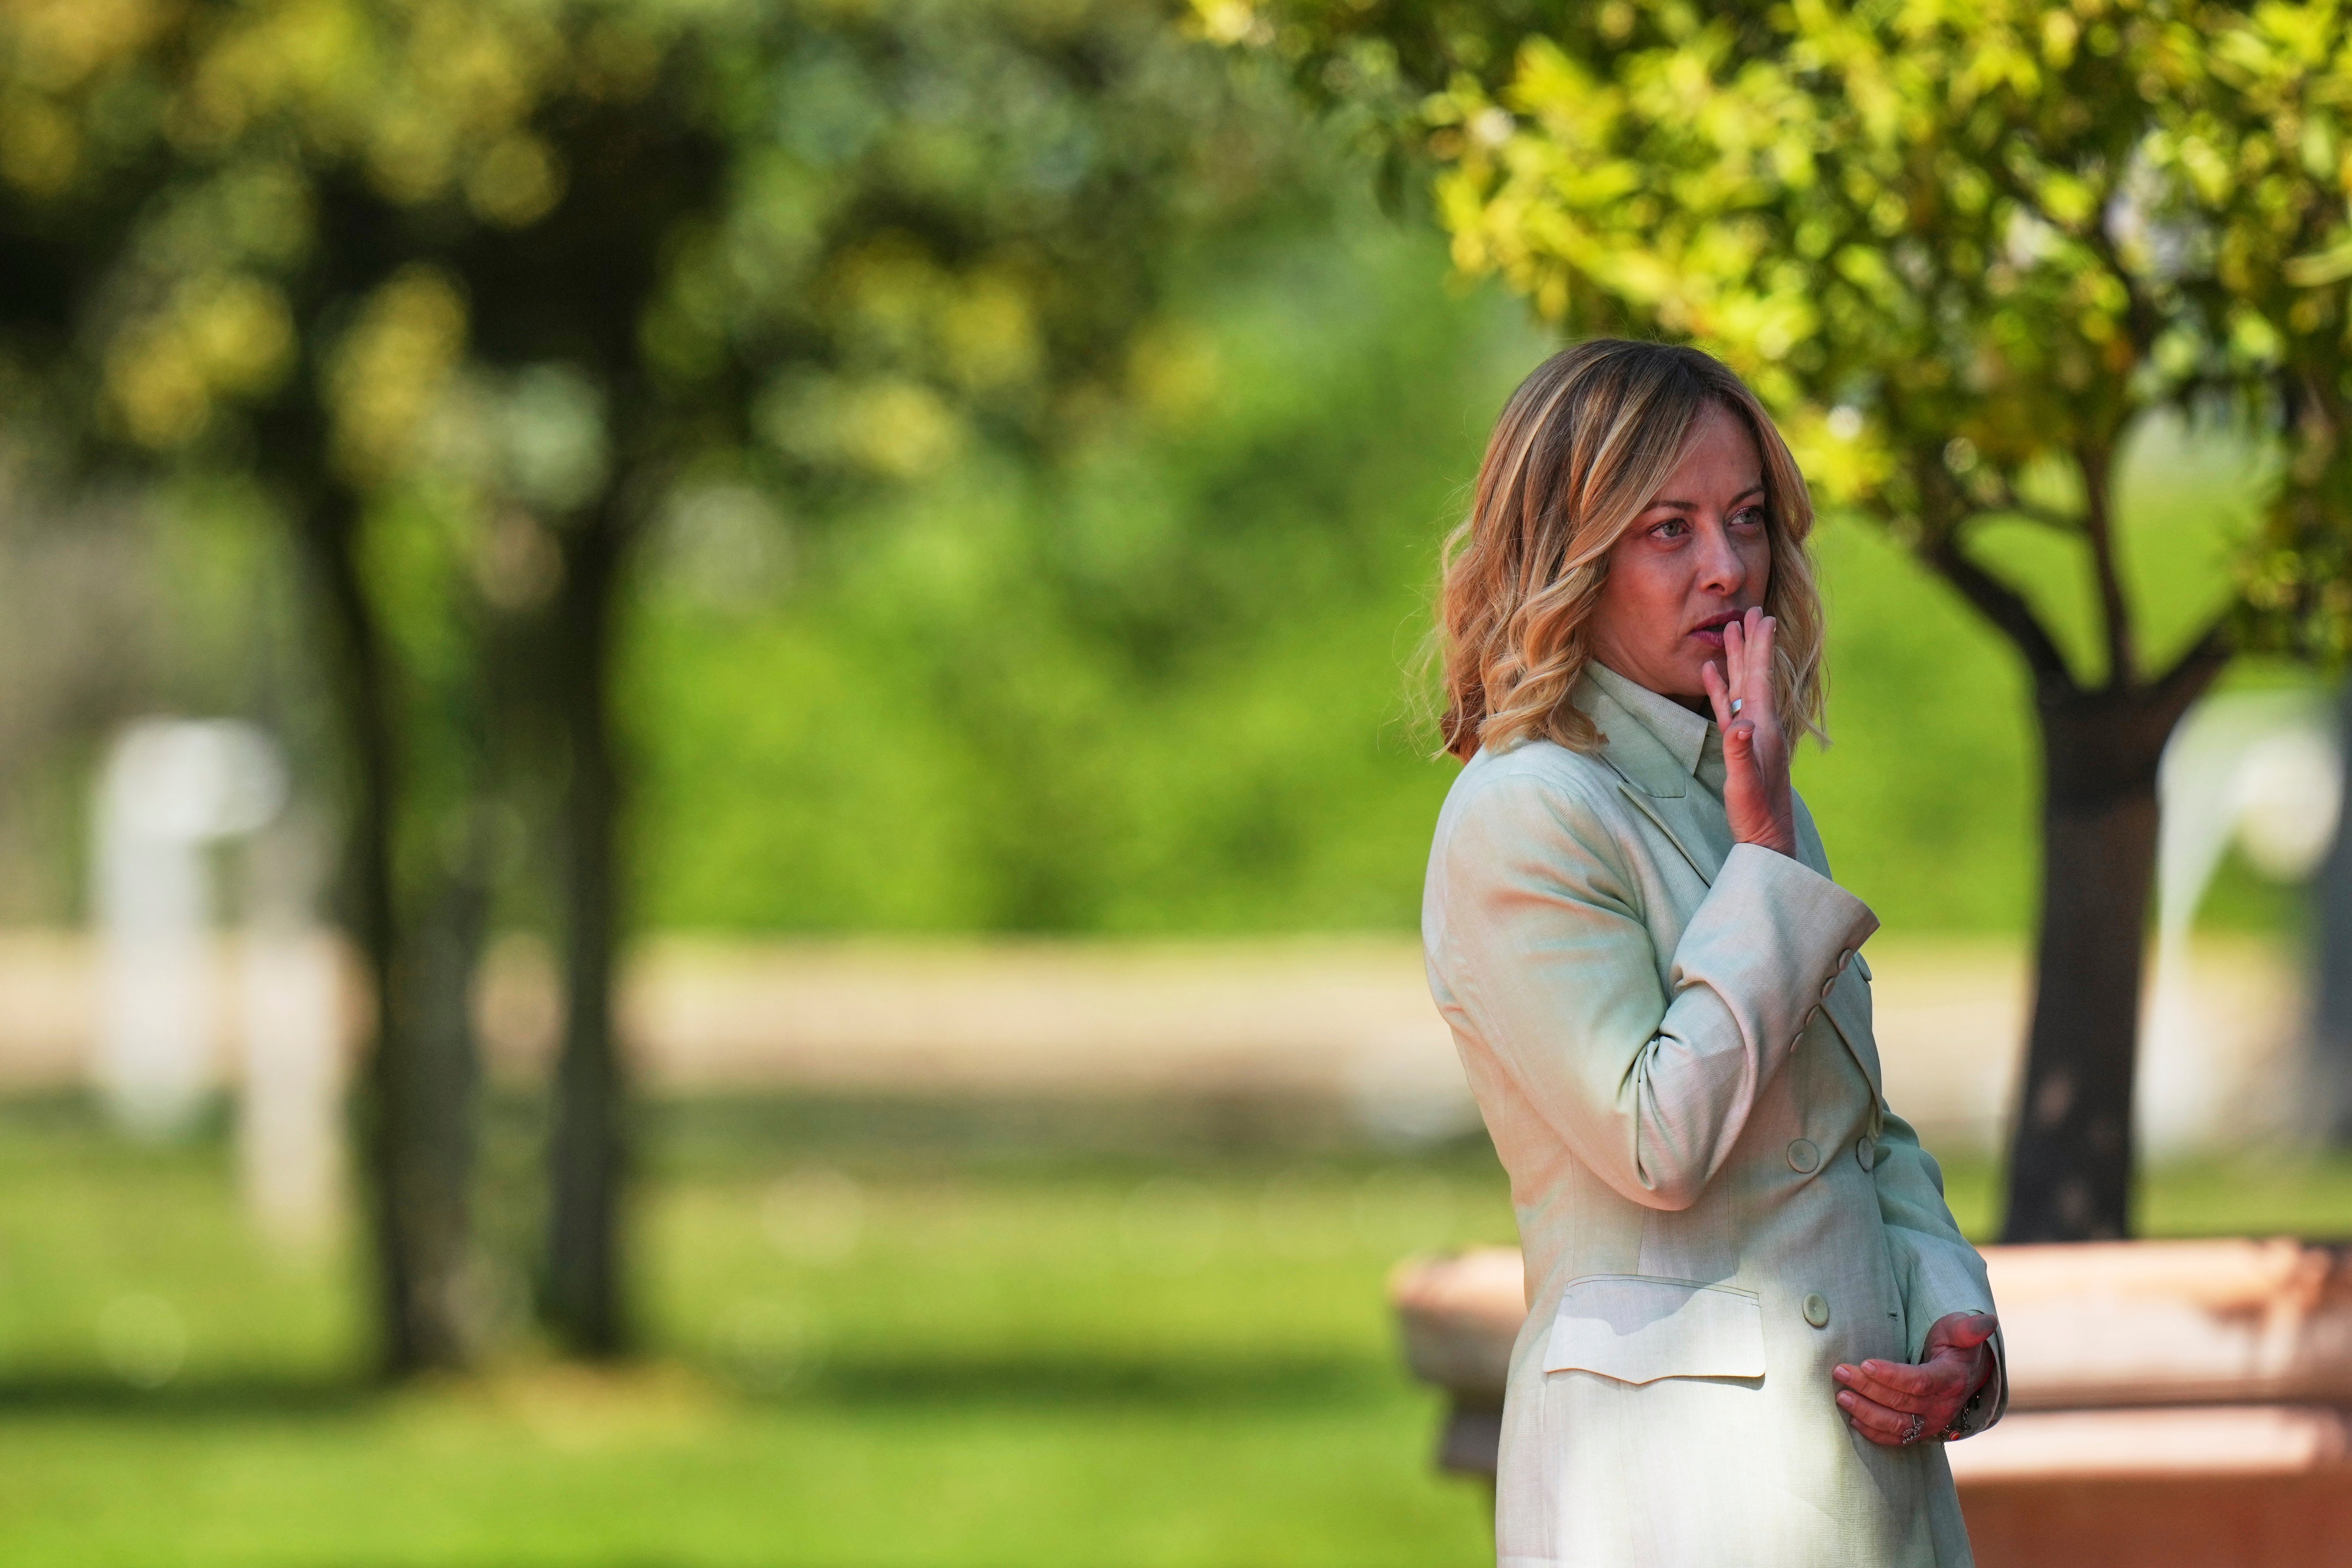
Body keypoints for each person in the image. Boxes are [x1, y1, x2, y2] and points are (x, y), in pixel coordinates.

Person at [1421, 340, 2004, 1567]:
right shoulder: (1528, 812)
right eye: (1668, 531)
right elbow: (1656, 1141)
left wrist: (1952, 1313)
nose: (1728, 568)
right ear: (1569, 555)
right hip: (1674, 1493)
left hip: (1866, 1489)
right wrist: (1765, 856)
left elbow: (1850, 1127)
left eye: (1745, 520)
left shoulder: (1742, 788)